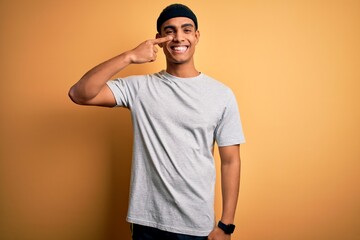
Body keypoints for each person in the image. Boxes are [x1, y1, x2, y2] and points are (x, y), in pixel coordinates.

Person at [69, 3, 245, 240]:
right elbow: (80, 93)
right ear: (159, 39)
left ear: (197, 36)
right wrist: (129, 56)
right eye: (170, 30)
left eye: (186, 29)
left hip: (196, 226)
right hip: (147, 224)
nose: (178, 37)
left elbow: (230, 161)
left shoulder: (221, 94)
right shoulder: (140, 87)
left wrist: (226, 225)